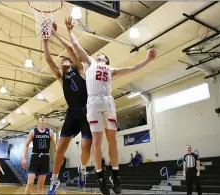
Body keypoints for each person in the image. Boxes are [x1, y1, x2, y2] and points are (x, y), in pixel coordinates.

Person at [65, 16, 156, 195]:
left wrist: (147, 60)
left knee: (112, 140)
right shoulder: (89, 63)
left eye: (102, 56)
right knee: (97, 142)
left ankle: (116, 176)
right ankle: (101, 179)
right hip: (92, 102)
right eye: (98, 55)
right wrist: (69, 31)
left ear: (106, 61)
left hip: (107, 101)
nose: (99, 56)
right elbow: (76, 47)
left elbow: (132, 69)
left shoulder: (111, 70)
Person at [43, 24, 92, 195]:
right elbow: (49, 61)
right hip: (72, 113)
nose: (63, 62)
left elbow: (71, 48)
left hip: (87, 111)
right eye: (61, 61)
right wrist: (45, 41)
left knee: (86, 148)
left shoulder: (80, 70)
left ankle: (83, 168)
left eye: (66, 60)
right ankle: (54, 179)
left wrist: (55, 34)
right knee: (60, 148)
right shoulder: (60, 77)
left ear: (71, 63)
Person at [22, 114, 57, 194]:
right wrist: (23, 158)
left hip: (45, 158)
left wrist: (58, 157)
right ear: (38, 121)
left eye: (44, 117)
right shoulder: (33, 132)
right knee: (30, 182)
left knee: (41, 185)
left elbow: (55, 146)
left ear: (46, 121)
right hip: (35, 157)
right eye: (40, 117)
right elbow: (26, 145)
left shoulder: (50, 132)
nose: (42, 118)